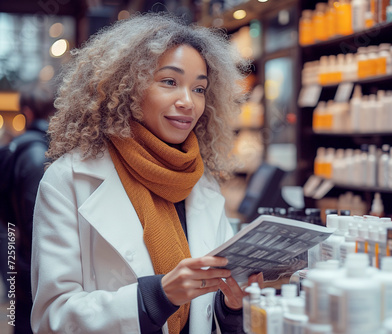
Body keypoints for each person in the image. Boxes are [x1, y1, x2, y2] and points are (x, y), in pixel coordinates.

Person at [31, 13, 263, 334]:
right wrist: (158, 296)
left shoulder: (200, 180)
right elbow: (51, 317)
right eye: (169, 82)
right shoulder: (69, 179)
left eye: (199, 88)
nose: (188, 102)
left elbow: (207, 312)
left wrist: (231, 304)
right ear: (127, 88)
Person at [1, 81, 54, 334]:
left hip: (18, 253)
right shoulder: (37, 155)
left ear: (27, 112)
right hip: (30, 262)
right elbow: (37, 224)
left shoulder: (17, 148)